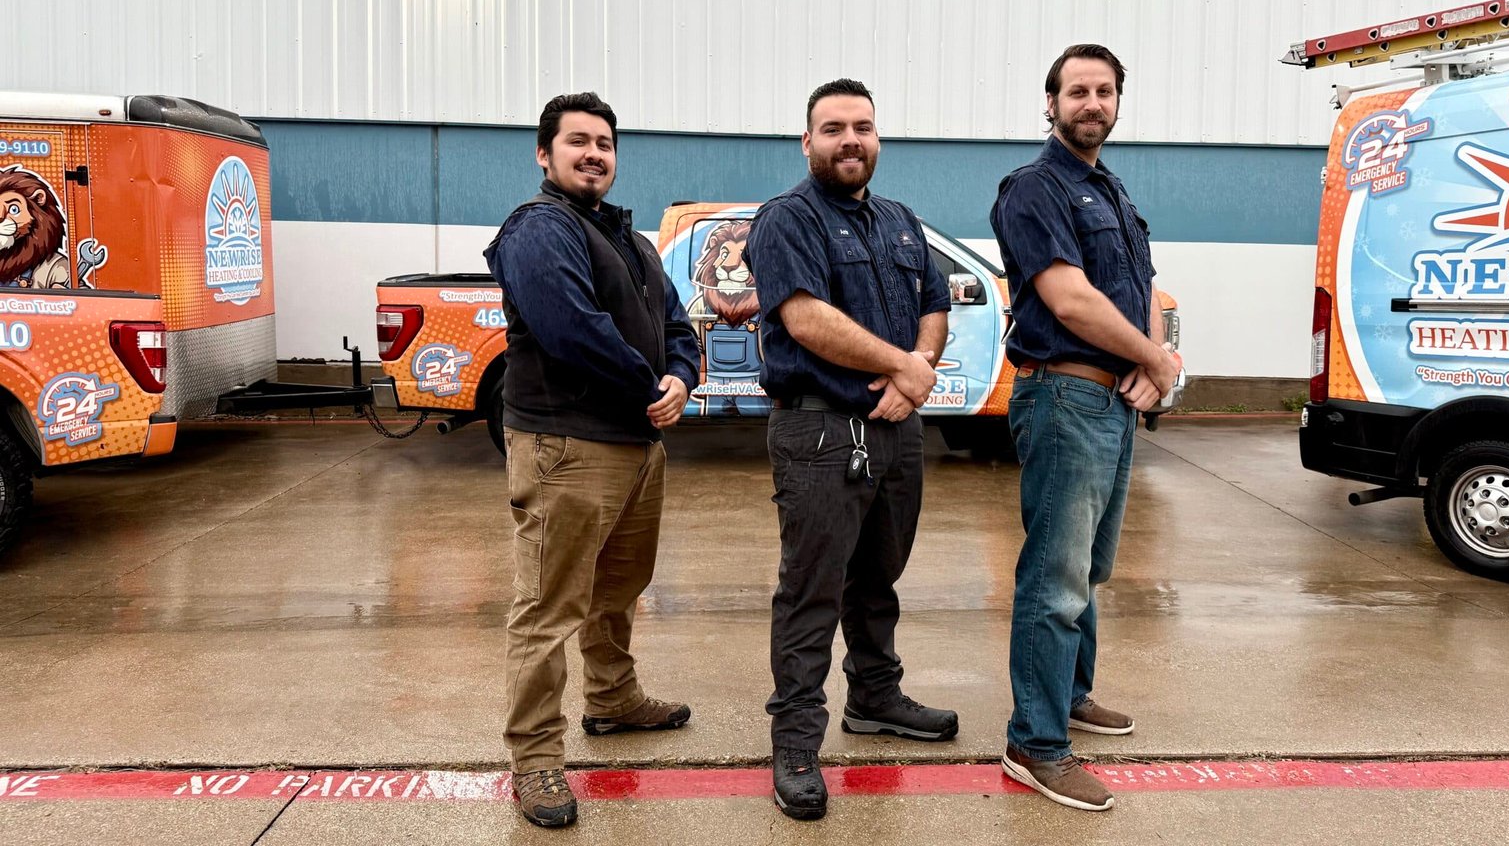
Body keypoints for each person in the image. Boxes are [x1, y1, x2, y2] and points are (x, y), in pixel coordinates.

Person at [483, 92, 701, 829]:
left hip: (636, 446)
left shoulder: (633, 243)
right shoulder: (538, 229)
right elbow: (570, 327)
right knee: (548, 606)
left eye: (604, 142)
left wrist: (681, 377)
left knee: (619, 586)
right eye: (577, 141)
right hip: (566, 446)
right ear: (545, 154)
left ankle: (611, 699)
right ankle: (536, 759)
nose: (594, 153)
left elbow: (677, 325)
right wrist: (651, 386)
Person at [747, 78, 955, 822]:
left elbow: (935, 301)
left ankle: (875, 695)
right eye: (832, 128)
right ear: (807, 142)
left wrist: (917, 370)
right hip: (819, 431)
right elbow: (804, 318)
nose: (850, 140)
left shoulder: (900, 221)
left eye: (862, 127)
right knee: (812, 590)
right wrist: (900, 366)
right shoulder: (785, 220)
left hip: (896, 431)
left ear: (878, 137)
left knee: (879, 577)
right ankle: (797, 742)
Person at [989, 44, 1181, 813]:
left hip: (1112, 398)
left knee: (1090, 568)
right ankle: (1033, 744)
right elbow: (1069, 301)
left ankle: (1069, 696)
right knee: (1056, 574)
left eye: (1104, 91)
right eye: (1077, 91)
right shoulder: (1034, 189)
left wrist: (1152, 357)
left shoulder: (1111, 190)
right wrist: (1153, 361)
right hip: (1064, 397)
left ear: (1117, 103)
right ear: (1051, 103)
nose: (1091, 102)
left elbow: (1146, 289)